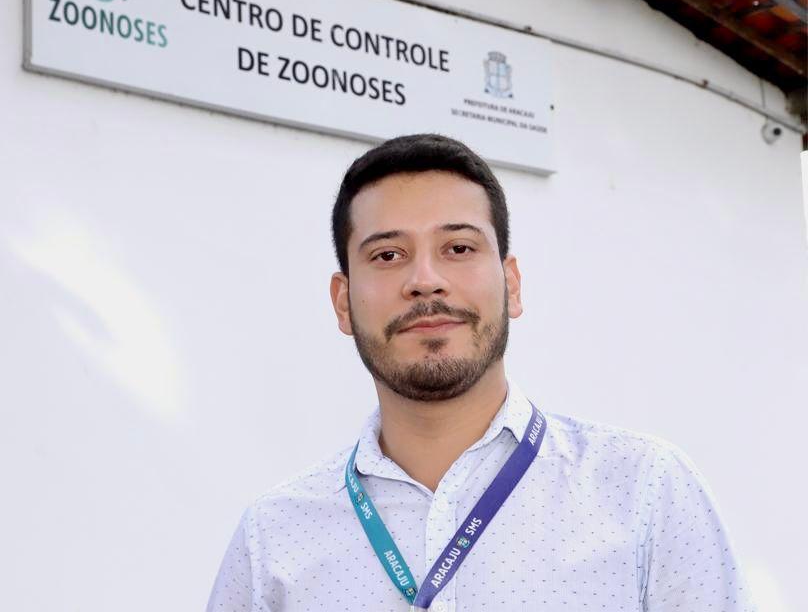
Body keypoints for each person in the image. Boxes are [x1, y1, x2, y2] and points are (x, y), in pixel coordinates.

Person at [206, 133, 754, 612]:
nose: (425, 280)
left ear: (511, 285)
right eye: (388, 255)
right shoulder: (273, 537)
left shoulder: (645, 491)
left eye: (458, 247)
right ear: (343, 302)